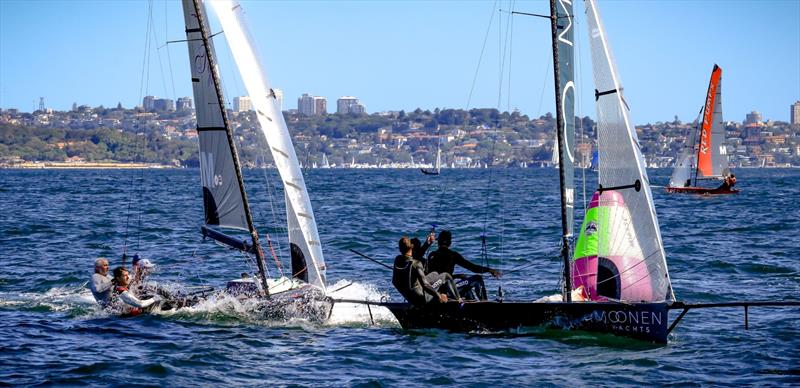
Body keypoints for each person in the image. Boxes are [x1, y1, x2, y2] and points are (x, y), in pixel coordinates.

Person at [426, 230, 502, 301]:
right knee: (477, 278)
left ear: (438, 242)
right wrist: (489, 270)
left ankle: (471, 302)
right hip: (448, 291)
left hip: (434, 290)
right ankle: (484, 303)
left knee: (466, 289)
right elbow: (473, 268)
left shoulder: (432, 255)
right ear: (450, 243)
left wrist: (457, 276)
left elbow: (436, 275)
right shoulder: (453, 255)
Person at [392, 236, 459, 306]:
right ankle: (459, 300)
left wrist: (407, 294)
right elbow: (425, 285)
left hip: (410, 298)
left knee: (434, 273)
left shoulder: (397, 260)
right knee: (446, 276)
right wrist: (439, 296)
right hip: (422, 299)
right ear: (412, 247)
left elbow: (394, 282)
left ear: (400, 249)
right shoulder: (416, 264)